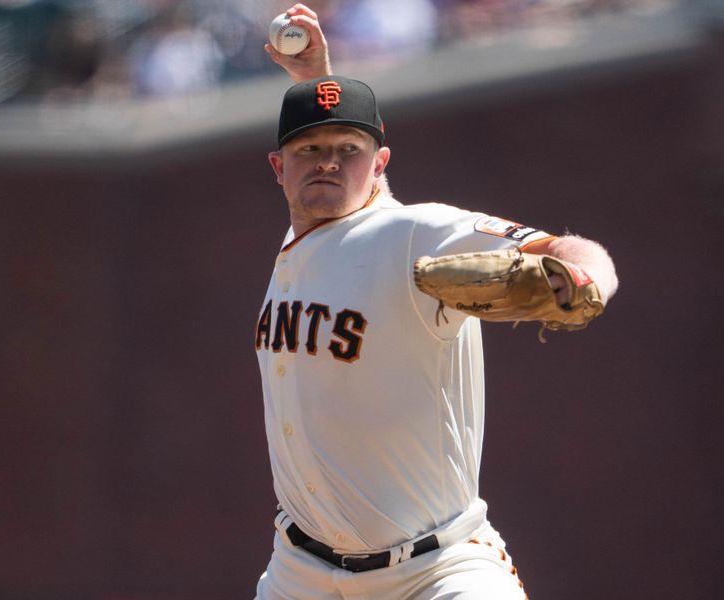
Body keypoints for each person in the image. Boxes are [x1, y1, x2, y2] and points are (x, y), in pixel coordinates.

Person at [255, 5, 618, 599]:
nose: (326, 161)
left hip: (437, 570)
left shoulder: (415, 233)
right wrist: (318, 77)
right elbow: (328, 135)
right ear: (278, 168)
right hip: (301, 572)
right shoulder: (301, 238)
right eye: (308, 150)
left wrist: (588, 279)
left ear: (379, 165)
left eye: (349, 149)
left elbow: (569, 248)